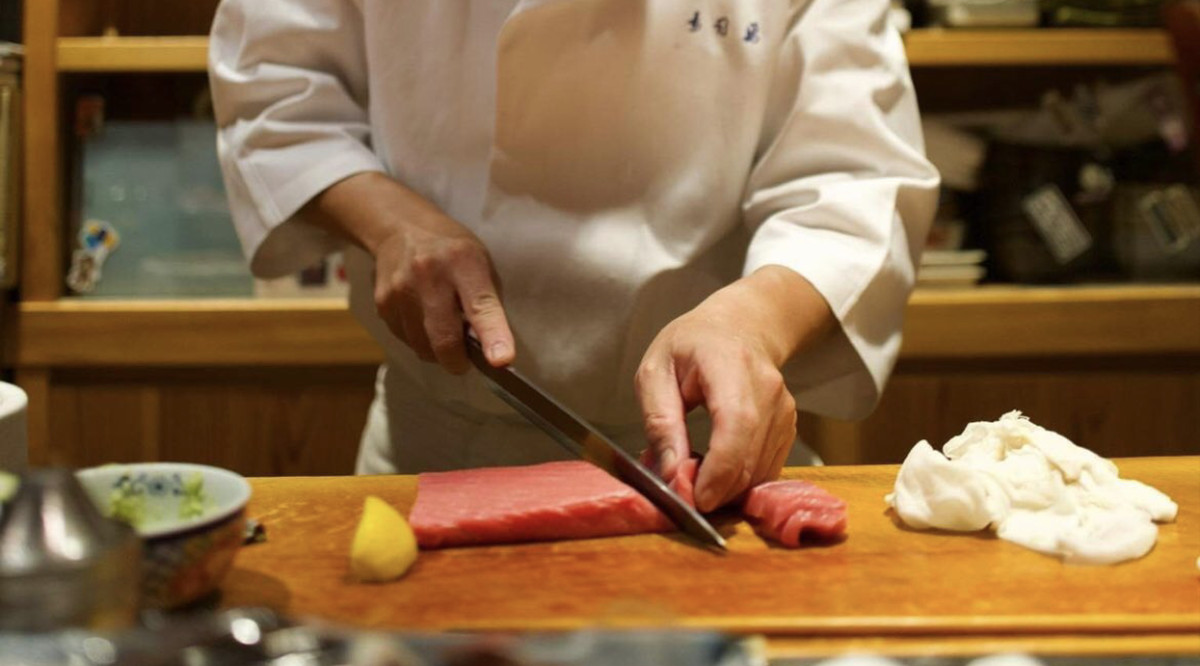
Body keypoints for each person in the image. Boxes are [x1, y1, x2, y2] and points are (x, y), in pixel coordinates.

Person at [209, 0, 939, 512]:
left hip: (707, 461)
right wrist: (391, 219)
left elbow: (856, 176)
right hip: (436, 451)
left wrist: (752, 324)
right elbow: (274, 95)